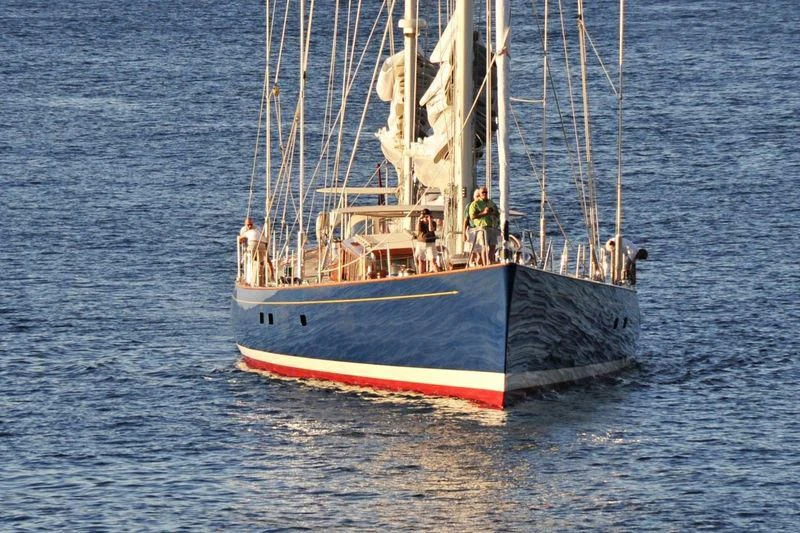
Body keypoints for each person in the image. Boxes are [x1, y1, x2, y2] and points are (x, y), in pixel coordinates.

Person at [468, 187, 499, 265]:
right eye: (483, 192)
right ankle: (485, 263)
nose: (485, 194)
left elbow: (497, 213)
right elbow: (472, 217)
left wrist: (492, 213)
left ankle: (491, 262)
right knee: (484, 247)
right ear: (479, 194)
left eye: (486, 192)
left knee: (492, 247)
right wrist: (484, 213)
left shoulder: (491, 203)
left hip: (492, 227)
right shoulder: (475, 204)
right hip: (482, 228)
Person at [414, 208, 440, 274]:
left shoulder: (433, 222)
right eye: (424, 216)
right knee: (421, 261)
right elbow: (417, 229)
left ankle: (439, 275)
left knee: (432, 261)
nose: (425, 218)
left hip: (430, 244)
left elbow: (431, 229)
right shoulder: (420, 222)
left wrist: (429, 220)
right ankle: (420, 276)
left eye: (426, 216)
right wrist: (419, 219)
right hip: (420, 243)